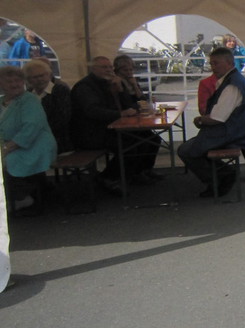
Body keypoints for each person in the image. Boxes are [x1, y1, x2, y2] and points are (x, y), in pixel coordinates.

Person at [177, 47, 245, 197]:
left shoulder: (232, 85)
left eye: (216, 63)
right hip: (238, 130)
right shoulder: (234, 80)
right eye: (211, 63)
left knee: (185, 150)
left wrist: (199, 120)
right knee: (194, 146)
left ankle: (221, 178)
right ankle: (224, 174)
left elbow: (217, 118)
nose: (213, 67)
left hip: (235, 133)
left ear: (229, 63)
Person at [70, 55, 160, 191]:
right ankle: (108, 177)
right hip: (91, 133)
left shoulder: (109, 83)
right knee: (131, 144)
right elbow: (93, 111)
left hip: (110, 128)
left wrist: (120, 90)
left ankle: (138, 172)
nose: (108, 70)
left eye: (109, 67)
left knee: (151, 138)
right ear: (93, 69)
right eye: (104, 67)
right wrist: (120, 114)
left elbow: (128, 105)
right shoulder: (85, 87)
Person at [0, 65, 57, 213]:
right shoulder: (1, 102)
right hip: (10, 145)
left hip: (35, 145)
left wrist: (6, 148)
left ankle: (22, 197)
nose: (14, 84)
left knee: (7, 161)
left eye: (17, 81)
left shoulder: (29, 100)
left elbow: (31, 128)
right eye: (9, 81)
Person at [198, 71, 245, 183]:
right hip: (219, 123)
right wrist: (219, 111)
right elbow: (203, 109)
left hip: (234, 121)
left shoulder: (236, 82)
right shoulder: (206, 83)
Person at [24, 58, 72, 154]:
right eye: (35, 77)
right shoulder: (28, 94)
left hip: (59, 141)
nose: (39, 79)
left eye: (42, 75)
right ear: (28, 80)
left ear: (49, 75)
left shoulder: (60, 90)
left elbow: (63, 118)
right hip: (34, 141)